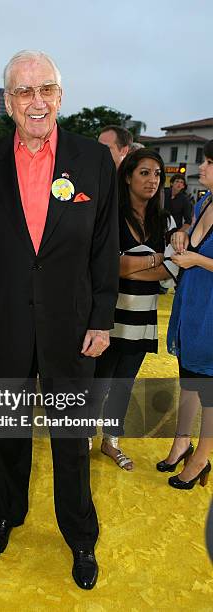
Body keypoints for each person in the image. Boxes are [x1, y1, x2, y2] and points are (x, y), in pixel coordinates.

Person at [0, 50, 119, 590]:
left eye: (46, 89)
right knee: (7, 430)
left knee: (71, 439)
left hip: (71, 327)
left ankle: (80, 536)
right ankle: (7, 510)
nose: (36, 101)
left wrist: (102, 317)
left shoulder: (94, 161)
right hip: (2, 324)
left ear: (61, 96)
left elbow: (105, 246)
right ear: (7, 102)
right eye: (24, 92)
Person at [94, 149, 175, 470]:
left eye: (157, 174)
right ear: (127, 176)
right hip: (109, 316)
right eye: (144, 172)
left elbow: (171, 270)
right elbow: (107, 266)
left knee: (123, 384)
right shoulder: (110, 214)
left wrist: (133, 264)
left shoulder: (164, 221)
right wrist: (154, 258)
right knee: (98, 382)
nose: (152, 180)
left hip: (144, 317)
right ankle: (83, 436)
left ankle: (110, 441)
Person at [157, 139, 213, 489]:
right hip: (192, 302)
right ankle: (182, 442)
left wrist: (198, 260)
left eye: (208, 162)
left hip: (210, 311)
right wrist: (181, 238)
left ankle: (202, 458)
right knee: (189, 378)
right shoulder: (206, 200)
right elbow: (190, 234)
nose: (201, 168)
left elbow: (201, 255)